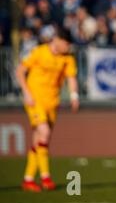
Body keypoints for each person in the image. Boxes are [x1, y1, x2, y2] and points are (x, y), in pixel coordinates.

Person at [16, 28, 79, 192]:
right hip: (35, 100)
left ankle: (28, 179)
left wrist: (74, 96)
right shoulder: (39, 52)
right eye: (66, 43)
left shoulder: (67, 59)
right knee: (44, 132)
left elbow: (71, 78)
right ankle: (46, 177)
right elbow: (20, 71)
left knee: (40, 140)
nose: (68, 47)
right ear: (57, 40)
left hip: (53, 102)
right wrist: (26, 93)